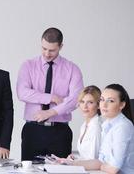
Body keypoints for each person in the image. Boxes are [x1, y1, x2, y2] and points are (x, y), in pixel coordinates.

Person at [16, 27, 84, 160]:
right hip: (33, 131)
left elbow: (76, 99)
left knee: (60, 171)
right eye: (44, 48)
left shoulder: (72, 69)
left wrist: (51, 112)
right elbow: (22, 92)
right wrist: (51, 97)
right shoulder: (28, 66)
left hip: (60, 132)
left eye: (52, 50)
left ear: (61, 46)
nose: (47, 53)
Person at [57, 84, 134, 174]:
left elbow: (113, 168)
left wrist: (101, 165)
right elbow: (100, 161)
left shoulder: (122, 127)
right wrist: (72, 163)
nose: (104, 105)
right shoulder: (107, 125)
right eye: (102, 100)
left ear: (122, 105)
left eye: (111, 101)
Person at [67, 85, 102, 160]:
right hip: (86, 168)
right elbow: (86, 156)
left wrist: (74, 162)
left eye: (90, 102)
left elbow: (94, 159)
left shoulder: (96, 127)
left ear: (98, 105)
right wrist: (74, 158)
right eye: (82, 102)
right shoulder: (84, 126)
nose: (85, 106)